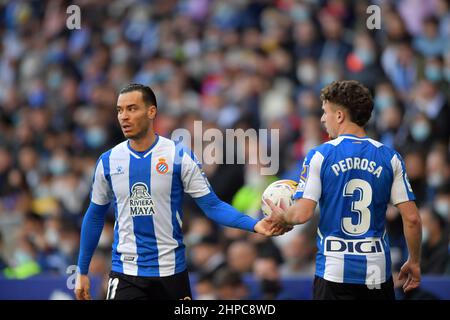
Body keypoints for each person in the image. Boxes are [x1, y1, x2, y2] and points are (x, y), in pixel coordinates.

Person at [75, 83, 289, 300]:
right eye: (120, 110)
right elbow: (94, 215)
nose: (124, 117)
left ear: (151, 112)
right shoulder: (108, 161)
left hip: (171, 273)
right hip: (127, 273)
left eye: (132, 108)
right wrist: (82, 270)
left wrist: (253, 224)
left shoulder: (178, 156)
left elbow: (212, 206)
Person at [265, 80, 422, 300]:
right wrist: (414, 261)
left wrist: (282, 216)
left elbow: (301, 214)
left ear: (339, 116)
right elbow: (413, 219)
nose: (322, 119)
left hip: (333, 273)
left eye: (324, 112)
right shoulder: (390, 157)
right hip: (377, 273)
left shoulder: (320, 155)